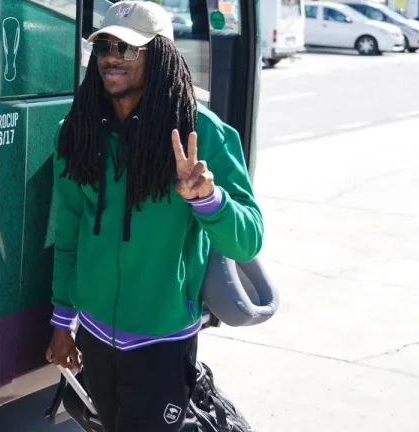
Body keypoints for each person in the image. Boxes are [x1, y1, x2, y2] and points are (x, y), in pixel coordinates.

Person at [44, 1, 264, 431]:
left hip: (163, 340)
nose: (111, 58)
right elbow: (68, 234)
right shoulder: (78, 132)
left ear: (160, 55)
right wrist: (62, 322)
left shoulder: (206, 134)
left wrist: (208, 199)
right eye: (104, 46)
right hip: (94, 334)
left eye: (128, 48)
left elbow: (248, 240)